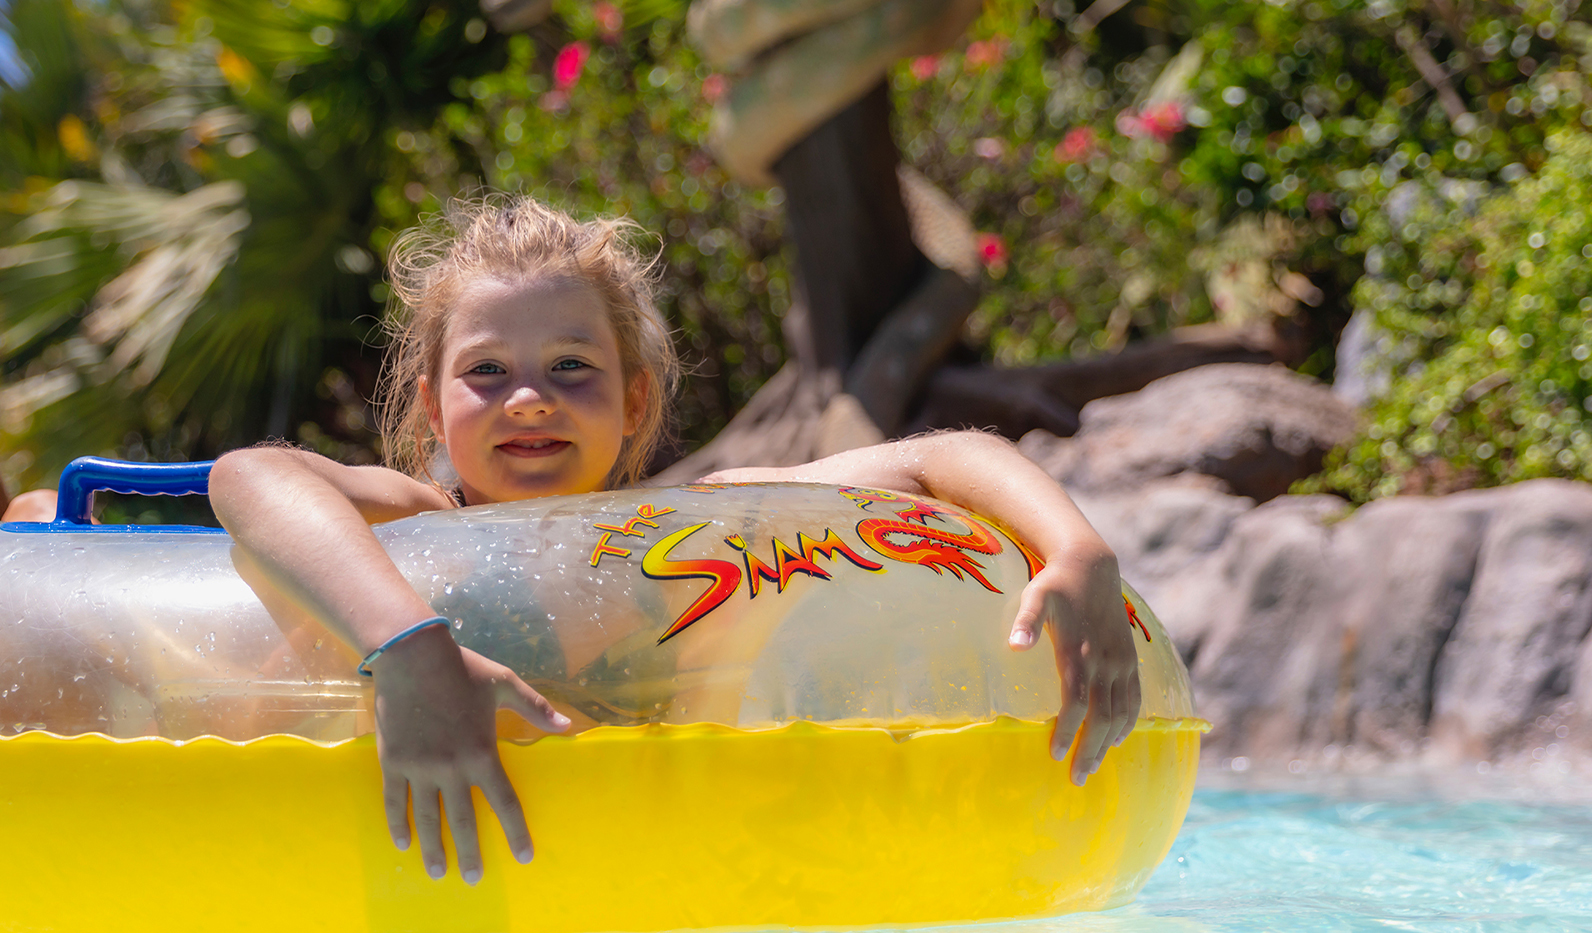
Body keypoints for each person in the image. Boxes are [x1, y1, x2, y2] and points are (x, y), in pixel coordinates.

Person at [212, 198, 1137, 884]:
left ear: (636, 401)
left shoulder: (690, 532)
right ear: (431, 409)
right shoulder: (419, 517)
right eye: (486, 372)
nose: (528, 397)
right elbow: (249, 475)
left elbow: (944, 458)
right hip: (397, 872)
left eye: (571, 368)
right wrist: (412, 650)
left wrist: (1077, 552)